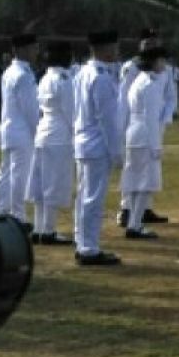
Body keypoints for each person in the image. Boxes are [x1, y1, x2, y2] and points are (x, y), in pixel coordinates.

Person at [73, 30, 124, 266]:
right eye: (114, 47)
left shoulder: (83, 72)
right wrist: (116, 152)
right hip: (97, 145)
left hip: (84, 142)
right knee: (93, 199)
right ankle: (89, 248)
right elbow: (108, 120)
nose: (116, 52)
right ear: (104, 49)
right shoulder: (101, 77)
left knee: (84, 197)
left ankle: (82, 242)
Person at [117, 28, 175, 229]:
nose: (164, 64)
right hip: (144, 133)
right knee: (146, 181)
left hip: (136, 133)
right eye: (161, 60)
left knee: (134, 178)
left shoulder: (142, 80)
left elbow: (169, 100)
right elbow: (150, 118)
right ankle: (134, 224)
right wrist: (155, 145)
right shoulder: (148, 83)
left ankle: (135, 220)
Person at [26, 39, 76, 244]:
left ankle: (39, 228)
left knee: (41, 184)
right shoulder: (64, 80)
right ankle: (48, 230)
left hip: (43, 133)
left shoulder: (45, 77)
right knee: (54, 184)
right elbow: (71, 111)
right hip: (59, 135)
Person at [0, 33, 40, 229]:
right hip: (21, 131)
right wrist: (37, 131)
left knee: (5, 173)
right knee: (19, 174)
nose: (36, 52)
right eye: (34, 48)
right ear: (23, 49)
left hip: (8, 128)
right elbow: (30, 109)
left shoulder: (9, 71)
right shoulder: (24, 74)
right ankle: (18, 216)